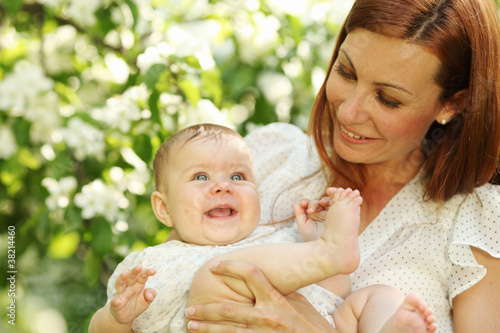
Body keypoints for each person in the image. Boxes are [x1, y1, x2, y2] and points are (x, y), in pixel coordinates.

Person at [182, 0, 500, 332]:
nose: (348, 112)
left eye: (387, 99)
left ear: (453, 104)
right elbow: (153, 281)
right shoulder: (264, 160)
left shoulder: (476, 225)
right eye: (346, 72)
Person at [88, 123, 437, 333]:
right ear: (163, 208)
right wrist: (116, 317)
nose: (223, 186)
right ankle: (328, 252)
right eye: (201, 177)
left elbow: (334, 293)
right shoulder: (149, 266)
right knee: (218, 273)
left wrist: (312, 238)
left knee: (376, 295)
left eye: (238, 176)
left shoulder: (279, 238)